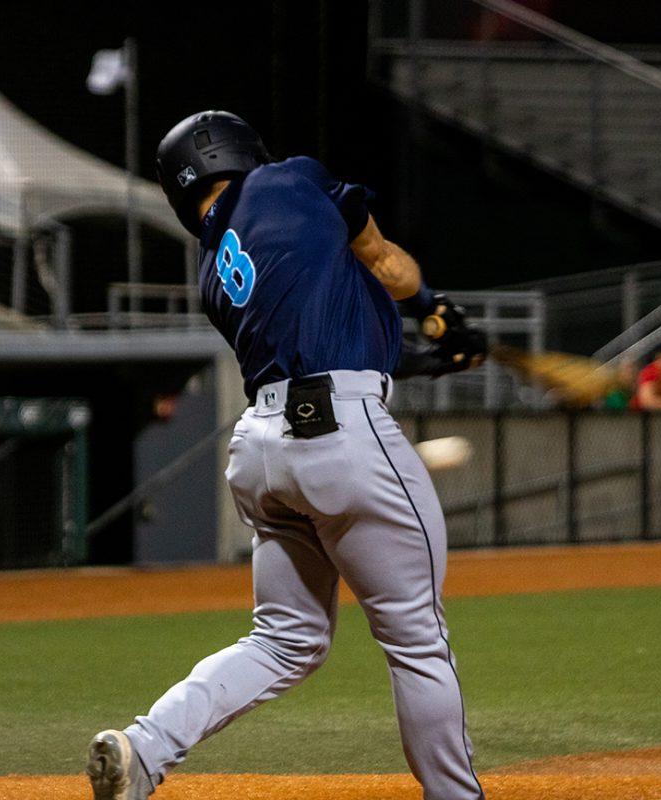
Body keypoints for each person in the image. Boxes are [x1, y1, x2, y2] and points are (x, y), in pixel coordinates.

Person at [85, 112, 486, 800]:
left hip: (265, 454)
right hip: (344, 435)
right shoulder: (286, 179)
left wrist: (431, 358)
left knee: (283, 639)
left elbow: (333, 337)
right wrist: (431, 305)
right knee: (418, 640)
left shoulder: (216, 271)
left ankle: (144, 749)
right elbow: (379, 256)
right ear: (239, 152)